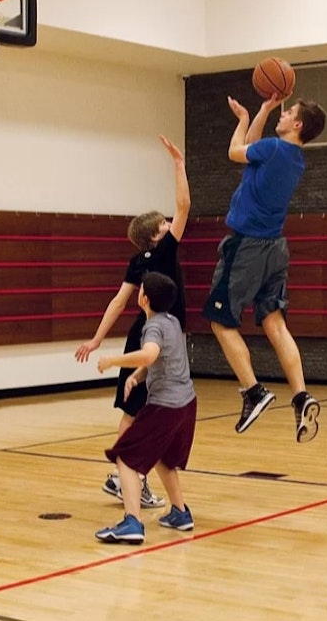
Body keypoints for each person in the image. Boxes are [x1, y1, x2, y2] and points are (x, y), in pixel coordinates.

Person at [202, 93, 327, 443]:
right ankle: (301, 395)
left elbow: (236, 150)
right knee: (274, 322)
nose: (284, 114)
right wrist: (264, 109)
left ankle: (253, 390)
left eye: (288, 112)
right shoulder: (293, 157)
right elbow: (251, 150)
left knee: (220, 321)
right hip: (276, 248)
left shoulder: (273, 148)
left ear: (297, 124)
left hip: (247, 246)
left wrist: (242, 120)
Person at [75, 134, 189, 508]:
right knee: (144, 408)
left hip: (140, 335)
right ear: (156, 235)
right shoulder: (165, 249)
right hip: (158, 337)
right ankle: (125, 474)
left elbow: (117, 301)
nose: (170, 223)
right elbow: (185, 206)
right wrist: (178, 164)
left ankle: (123, 474)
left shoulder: (137, 261)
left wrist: (96, 339)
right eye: (164, 223)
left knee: (134, 408)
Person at [94, 271, 197, 544]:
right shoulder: (172, 321)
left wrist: (113, 361)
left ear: (144, 298)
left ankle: (132, 523)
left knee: (125, 459)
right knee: (164, 458)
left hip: (166, 406)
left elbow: (150, 353)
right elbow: (162, 357)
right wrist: (138, 376)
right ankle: (180, 512)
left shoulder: (151, 327)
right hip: (187, 403)